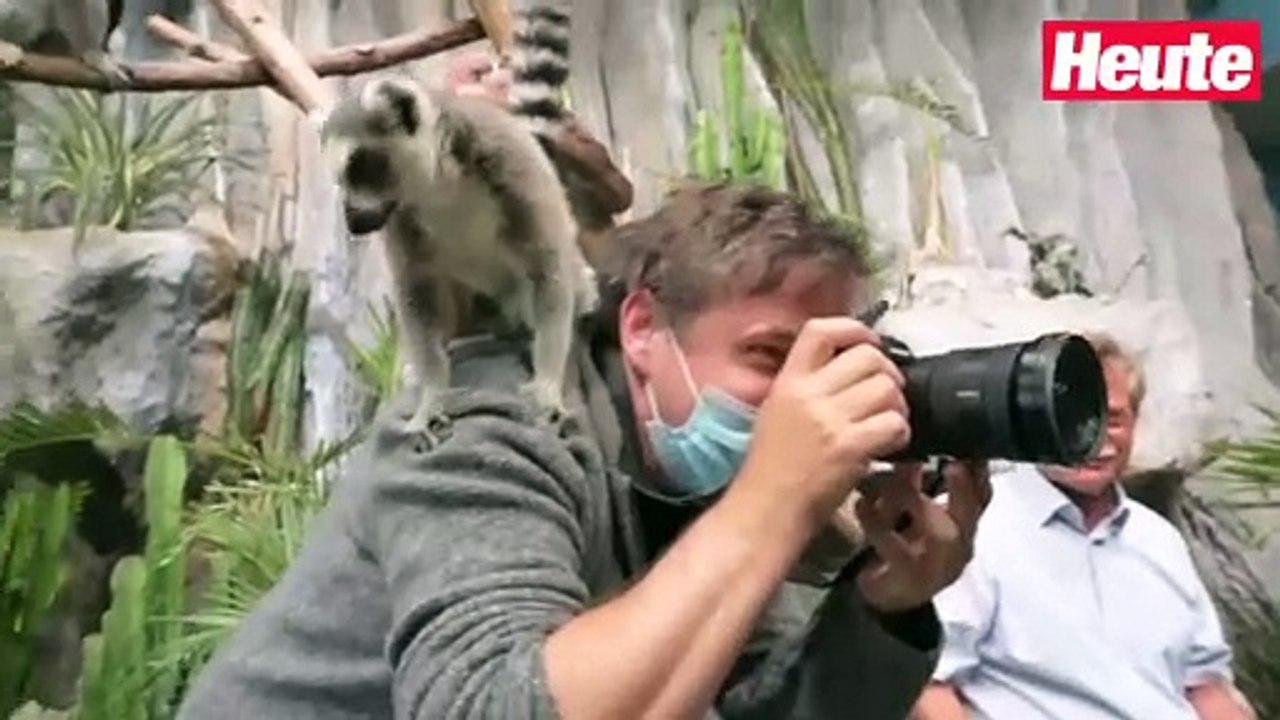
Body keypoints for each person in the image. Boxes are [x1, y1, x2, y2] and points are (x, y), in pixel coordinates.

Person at [912, 332, 1254, 720]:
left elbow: (1206, 686)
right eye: (1076, 414)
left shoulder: (1160, 540)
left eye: (1115, 419)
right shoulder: (972, 524)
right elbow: (928, 686)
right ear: (1038, 419)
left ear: (1136, 423)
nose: (1095, 437)